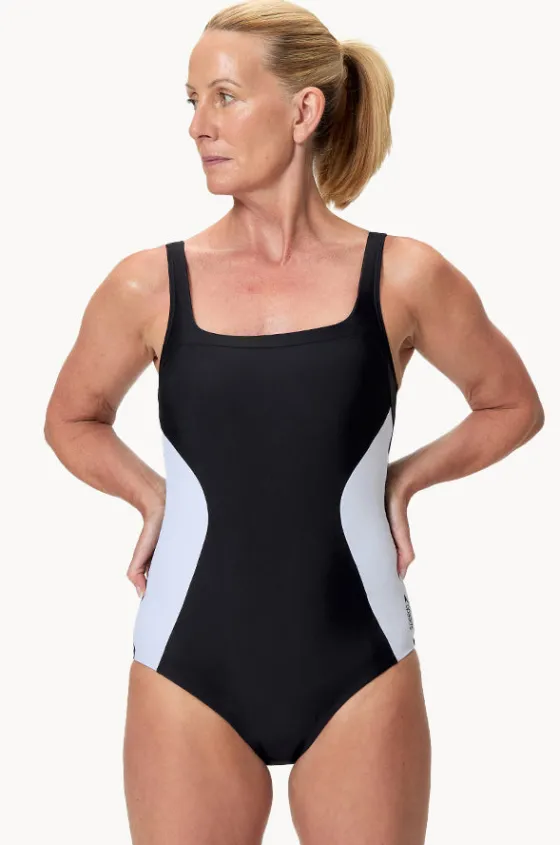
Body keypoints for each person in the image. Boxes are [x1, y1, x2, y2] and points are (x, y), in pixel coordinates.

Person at [43, 2, 545, 843]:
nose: (198, 125)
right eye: (192, 100)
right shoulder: (146, 285)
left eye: (225, 96)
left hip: (362, 666)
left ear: (304, 110)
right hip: (187, 666)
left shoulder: (404, 275)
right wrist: (153, 496)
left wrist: (403, 480)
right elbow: (72, 416)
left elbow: (513, 404)